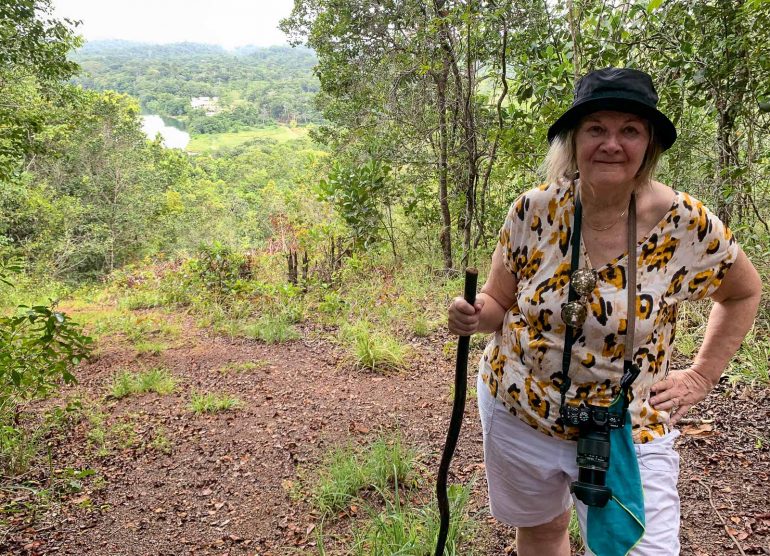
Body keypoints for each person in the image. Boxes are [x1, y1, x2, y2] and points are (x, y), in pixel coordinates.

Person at [447, 67, 761, 556]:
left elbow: (743, 292)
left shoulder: (686, 225)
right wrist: (472, 314)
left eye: (629, 130)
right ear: (574, 141)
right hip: (521, 406)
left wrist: (701, 377)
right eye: (596, 129)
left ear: (649, 145)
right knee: (542, 531)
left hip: (628, 425)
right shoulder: (535, 211)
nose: (611, 143)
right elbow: (497, 303)